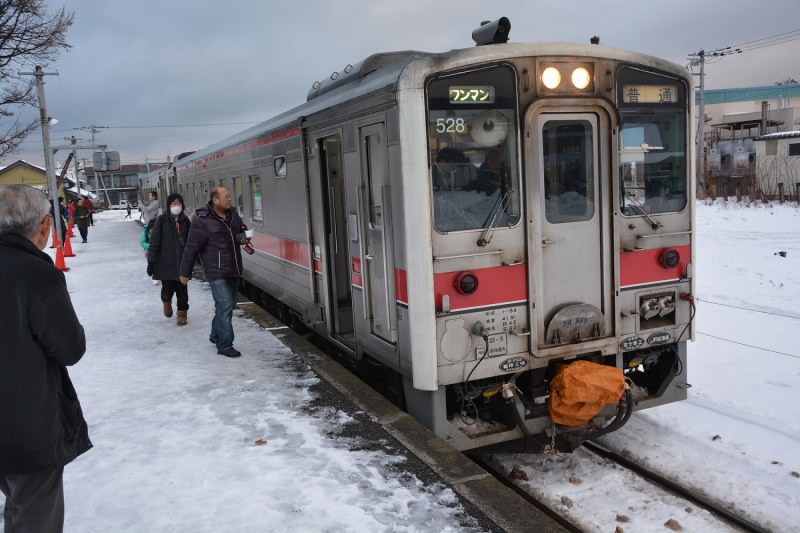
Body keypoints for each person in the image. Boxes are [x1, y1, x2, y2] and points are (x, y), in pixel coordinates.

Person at [0, 184, 91, 533]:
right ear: (42, 227)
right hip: (26, 423)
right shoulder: (37, 274)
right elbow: (70, 349)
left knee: (17, 504)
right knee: (36, 513)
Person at [179, 186, 251, 358]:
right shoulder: (202, 221)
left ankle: (215, 334)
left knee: (226, 306)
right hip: (216, 271)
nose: (229, 199)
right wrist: (185, 273)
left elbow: (240, 230)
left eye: (229, 196)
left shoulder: (232, 214)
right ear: (215, 200)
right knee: (225, 306)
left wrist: (244, 235)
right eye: (226, 196)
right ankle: (225, 345)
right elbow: (191, 249)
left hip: (233, 268)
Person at [148, 193, 192, 326]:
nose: (176, 206)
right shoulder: (161, 220)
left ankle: (182, 314)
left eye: (179, 203)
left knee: (182, 293)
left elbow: (192, 241)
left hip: (182, 263)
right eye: (173, 203)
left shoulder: (185, 221)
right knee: (167, 291)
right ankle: (166, 302)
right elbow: (154, 242)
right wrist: (151, 262)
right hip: (165, 263)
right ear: (168, 205)